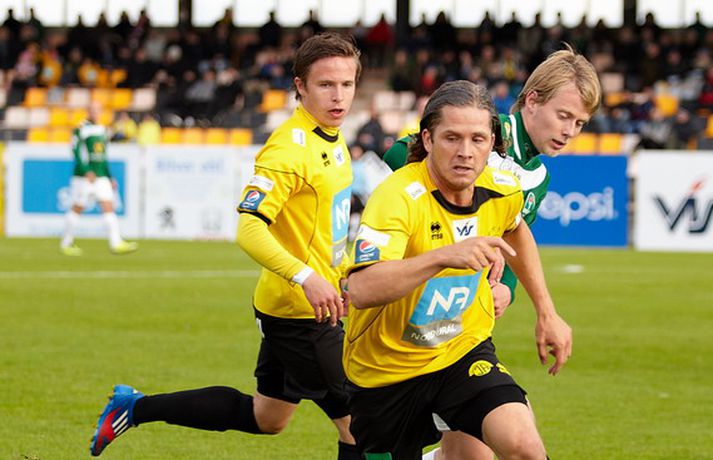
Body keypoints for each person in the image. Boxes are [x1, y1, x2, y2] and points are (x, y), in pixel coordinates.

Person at [88, 33, 362, 459]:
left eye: (347, 84)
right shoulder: (288, 150)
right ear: (300, 86)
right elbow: (249, 228)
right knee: (360, 425)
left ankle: (133, 408)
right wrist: (307, 277)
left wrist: (342, 272)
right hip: (301, 314)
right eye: (326, 84)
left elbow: (322, 228)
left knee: (267, 417)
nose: (338, 95)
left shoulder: (332, 136)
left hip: (296, 305)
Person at [382, 46, 601, 459]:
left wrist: (508, 290)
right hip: (406, 311)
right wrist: (446, 223)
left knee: (487, 450)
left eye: (579, 123)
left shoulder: (537, 176)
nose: (570, 130)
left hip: (458, 321)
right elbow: (398, 153)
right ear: (532, 99)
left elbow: (513, 238)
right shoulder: (482, 128)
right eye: (563, 116)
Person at [343, 80, 573, 460]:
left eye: (478, 139)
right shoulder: (396, 197)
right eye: (452, 138)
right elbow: (362, 289)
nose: (466, 152)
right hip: (385, 371)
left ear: (492, 143)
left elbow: (517, 231)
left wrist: (546, 312)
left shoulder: (503, 188)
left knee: (524, 447)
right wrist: (443, 257)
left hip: (461, 350)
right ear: (428, 139)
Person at [59, 102, 138, 256]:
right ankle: (66, 243)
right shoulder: (81, 129)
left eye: (98, 110)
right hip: (84, 177)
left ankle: (116, 243)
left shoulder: (102, 129)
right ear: (88, 111)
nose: (96, 112)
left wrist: (109, 176)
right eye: (93, 110)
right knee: (78, 207)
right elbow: (76, 151)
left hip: (101, 175)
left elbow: (103, 156)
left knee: (108, 205)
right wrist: (86, 170)